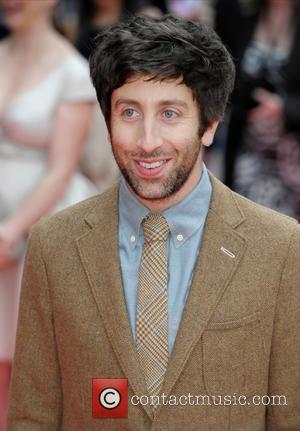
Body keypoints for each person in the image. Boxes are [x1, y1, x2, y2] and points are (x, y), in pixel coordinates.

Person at [7, 14, 299, 430]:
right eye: (129, 112)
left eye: (169, 114)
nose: (147, 142)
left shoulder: (280, 247)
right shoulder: (55, 244)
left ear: (209, 124)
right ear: (107, 121)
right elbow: (32, 417)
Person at [0, 0, 98, 428]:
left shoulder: (73, 71)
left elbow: (62, 167)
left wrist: (13, 230)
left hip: (40, 218)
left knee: (29, 355)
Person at [215, 0, 300, 220]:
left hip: (292, 155)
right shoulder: (243, 16)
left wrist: (285, 109)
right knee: (248, 226)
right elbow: (224, 79)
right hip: (248, 150)